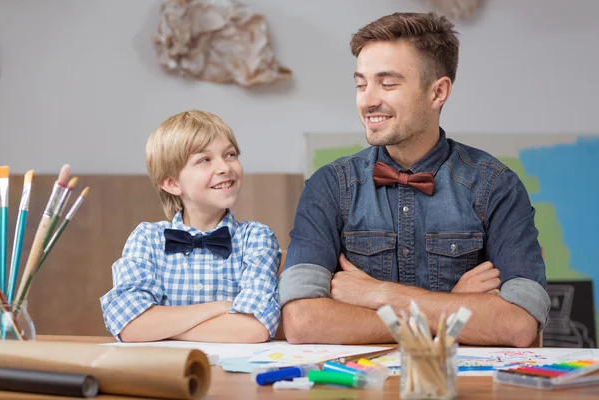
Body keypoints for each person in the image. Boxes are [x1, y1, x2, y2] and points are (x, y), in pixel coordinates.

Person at [279, 12, 549, 347]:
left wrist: (376, 293)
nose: (367, 100)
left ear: (438, 92)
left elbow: (518, 324)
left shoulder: (496, 186)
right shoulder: (329, 187)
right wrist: (455, 307)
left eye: (388, 83)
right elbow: (303, 321)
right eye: (361, 84)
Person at [100, 110, 281, 343]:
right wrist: (219, 308)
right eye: (204, 160)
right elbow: (129, 324)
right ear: (172, 183)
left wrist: (159, 328)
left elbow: (254, 329)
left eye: (230, 154)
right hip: (163, 375)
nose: (224, 167)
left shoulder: (257, 238)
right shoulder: (147, 238)